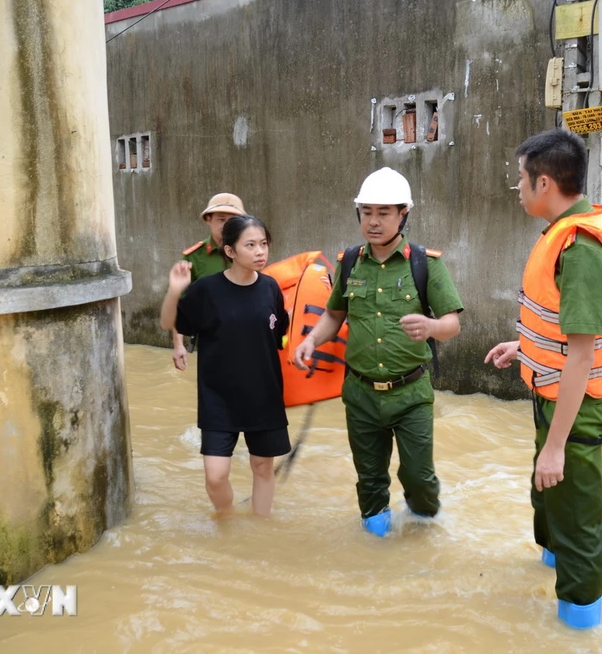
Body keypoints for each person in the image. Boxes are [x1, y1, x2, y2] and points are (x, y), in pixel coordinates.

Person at [485, 129, 602, 629]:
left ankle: (579, 625)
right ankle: (552, 573)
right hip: (556, 395)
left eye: (520, 180)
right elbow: (562, 332)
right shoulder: (574, 229)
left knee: (576, 517)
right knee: (550, 499)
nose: (518, 188)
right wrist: (523, 346)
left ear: (544, 182)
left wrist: (556, 445)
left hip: (578, 404)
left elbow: (583, 356)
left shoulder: (581, 250)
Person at [293, 167, 464, 537]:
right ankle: (375, 549)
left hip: (411, 395)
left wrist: (432, 327)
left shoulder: (426, 264)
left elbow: (452, 323)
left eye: (384, 213)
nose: (373, 221)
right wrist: (311, 340)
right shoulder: (349, 262)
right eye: (367, 212)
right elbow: (335, 313)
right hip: (360, 394)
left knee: (418, 477)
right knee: (369, 482)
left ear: (403, 214)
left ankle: (423, 532)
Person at [160, 214, 291, 517]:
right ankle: (226, 519)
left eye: (263, 244)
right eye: (251, 245)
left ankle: (260, 529)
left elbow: (281, 335)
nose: (260, 251)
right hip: (218, 397)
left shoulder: (271, 288)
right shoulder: (206, 290)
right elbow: (169, 322)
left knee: (262, 467)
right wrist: (175, 290)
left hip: (263, 394)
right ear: (230, 251)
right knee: (216, 476)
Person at [171, 192, 246, 371]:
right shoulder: (194, 257)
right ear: (208, 220)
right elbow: (179, 305)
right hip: (212, 343)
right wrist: (178, 345)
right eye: (221, 219)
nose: (227, 226)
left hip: (248, 339)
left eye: (233, 220)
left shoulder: (251, 251)